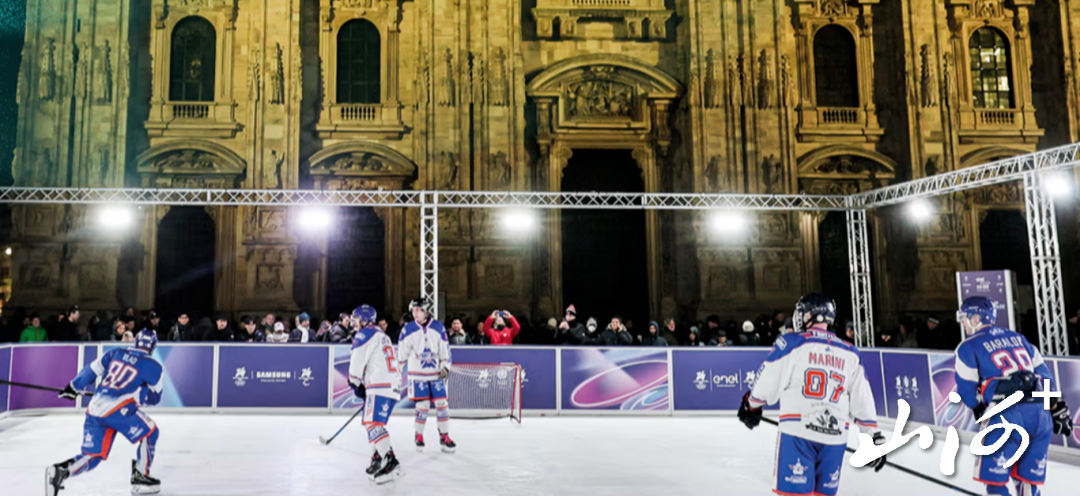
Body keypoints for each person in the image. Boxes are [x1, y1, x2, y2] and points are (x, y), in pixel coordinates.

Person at [738, 293, 886, 497]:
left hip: (798, 433)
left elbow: (767, 381)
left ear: (809, 315)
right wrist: (872, 436)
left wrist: (751, 405)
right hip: (835, 437)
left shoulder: (792, 343)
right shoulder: (851, 352)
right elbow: (862, 397)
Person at [953, 296, 1073, 497]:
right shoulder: (1020, 339)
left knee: (995, 483)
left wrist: (979, 408)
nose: (963, 322)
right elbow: (1045, 377)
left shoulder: (968, 346)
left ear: (976, 319)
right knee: (1027, 484)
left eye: (964, 317)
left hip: (1005, 413)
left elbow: (967, 391)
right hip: (1039, 416)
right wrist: (1054, 406)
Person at [48, 330, 163, 496]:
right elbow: (155, 398)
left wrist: (73, 387)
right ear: (153, 346)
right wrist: (141, 394)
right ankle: (141, 476)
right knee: (151, 432)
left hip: (95, 408)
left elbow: (91, 370)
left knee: (93, 456)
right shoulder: (154, 366)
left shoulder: (116, 352)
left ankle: (61, 472)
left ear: (136, 341)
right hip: (119, 410)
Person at [347, 305, 405, 484]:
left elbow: (356, 364)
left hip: (380, 384)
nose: (354, 323)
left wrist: (355, 382)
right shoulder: (381, 334)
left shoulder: (364, 334)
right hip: (391, 384)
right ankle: (377, 458)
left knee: (372, 423)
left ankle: (391, 464)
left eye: (356, 319)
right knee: (372, 423)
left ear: (365, 320)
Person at [398, 298, 455, 453]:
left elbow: (445, 351)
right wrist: (396, 374)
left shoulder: (438, 327)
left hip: (436, 375)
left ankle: (444, 435)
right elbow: (401, 356)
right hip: (418, 376)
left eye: (418, 310)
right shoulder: (408, 329)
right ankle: (419, 435)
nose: (414, 313)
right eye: (413, 310)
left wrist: (445, 368)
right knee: (422, 406)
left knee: (442, 405)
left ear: (425, 311)